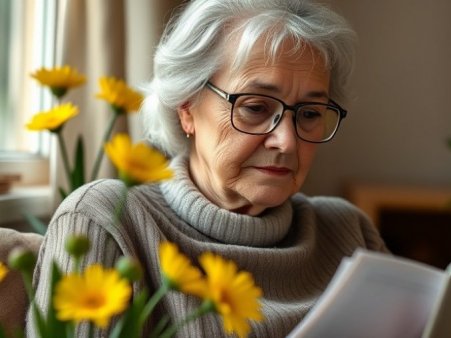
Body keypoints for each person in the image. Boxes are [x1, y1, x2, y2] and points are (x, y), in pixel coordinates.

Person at [29, 0, 388, 336]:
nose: (288, 142)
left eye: (309, 114)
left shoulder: (347, 234)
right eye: (256, 107)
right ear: (186, 108)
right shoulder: (107, 222)